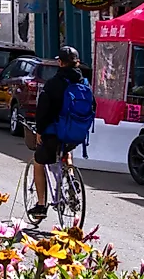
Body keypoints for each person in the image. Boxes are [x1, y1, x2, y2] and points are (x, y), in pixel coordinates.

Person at [30, 46, 92, 220]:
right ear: (77, 62)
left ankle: (41, 205)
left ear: (60, 63)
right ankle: (71, 179)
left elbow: (43, 110)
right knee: (66, 151)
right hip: (76, 134)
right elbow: (92, 106)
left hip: (54, 133)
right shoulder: (84, 82)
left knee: (38, 161)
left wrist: (40, 131)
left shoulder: (53, 84)